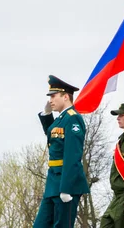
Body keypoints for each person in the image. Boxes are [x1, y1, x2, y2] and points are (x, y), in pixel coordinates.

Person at [34, 75, 90, 228]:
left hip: (66, 182)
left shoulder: (73, 119)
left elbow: (72, 155)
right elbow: (53, 136)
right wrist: (46, 116)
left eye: (53, 96)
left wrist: (66, 187)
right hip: (53, 181)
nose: (50, 100)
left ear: (65, 97)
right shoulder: (61, 119)